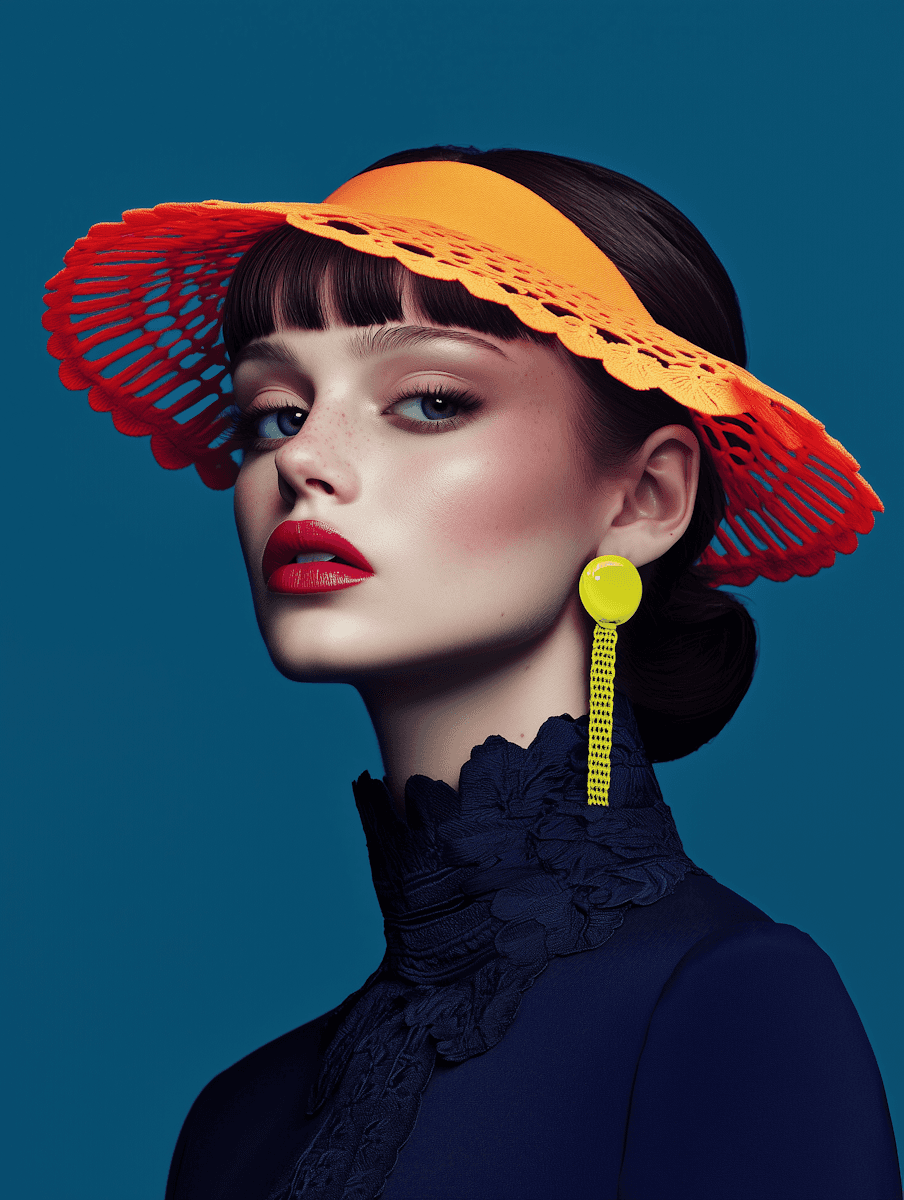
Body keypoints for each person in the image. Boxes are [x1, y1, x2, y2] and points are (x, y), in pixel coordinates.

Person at [44, 147, 900, 1198]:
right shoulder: (234, 1121)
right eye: (275, 411)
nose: (303, 459)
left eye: (431, 401)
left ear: (644, 500)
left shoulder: (729, 1006)